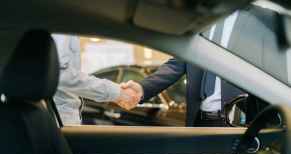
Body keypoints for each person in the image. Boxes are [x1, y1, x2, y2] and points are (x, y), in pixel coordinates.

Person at [121, 5, 276, 127]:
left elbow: (274, 72)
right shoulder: (197, 20)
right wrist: (142, 88)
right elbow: (177, 64)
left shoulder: (265, 19)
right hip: (199, 121)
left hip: (240, 123)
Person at [52, 34, 141, 124]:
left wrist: (117, 93)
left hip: (60, 118)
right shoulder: (62, 29)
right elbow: (60, 74)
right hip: (58, 119)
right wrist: (117, 92)